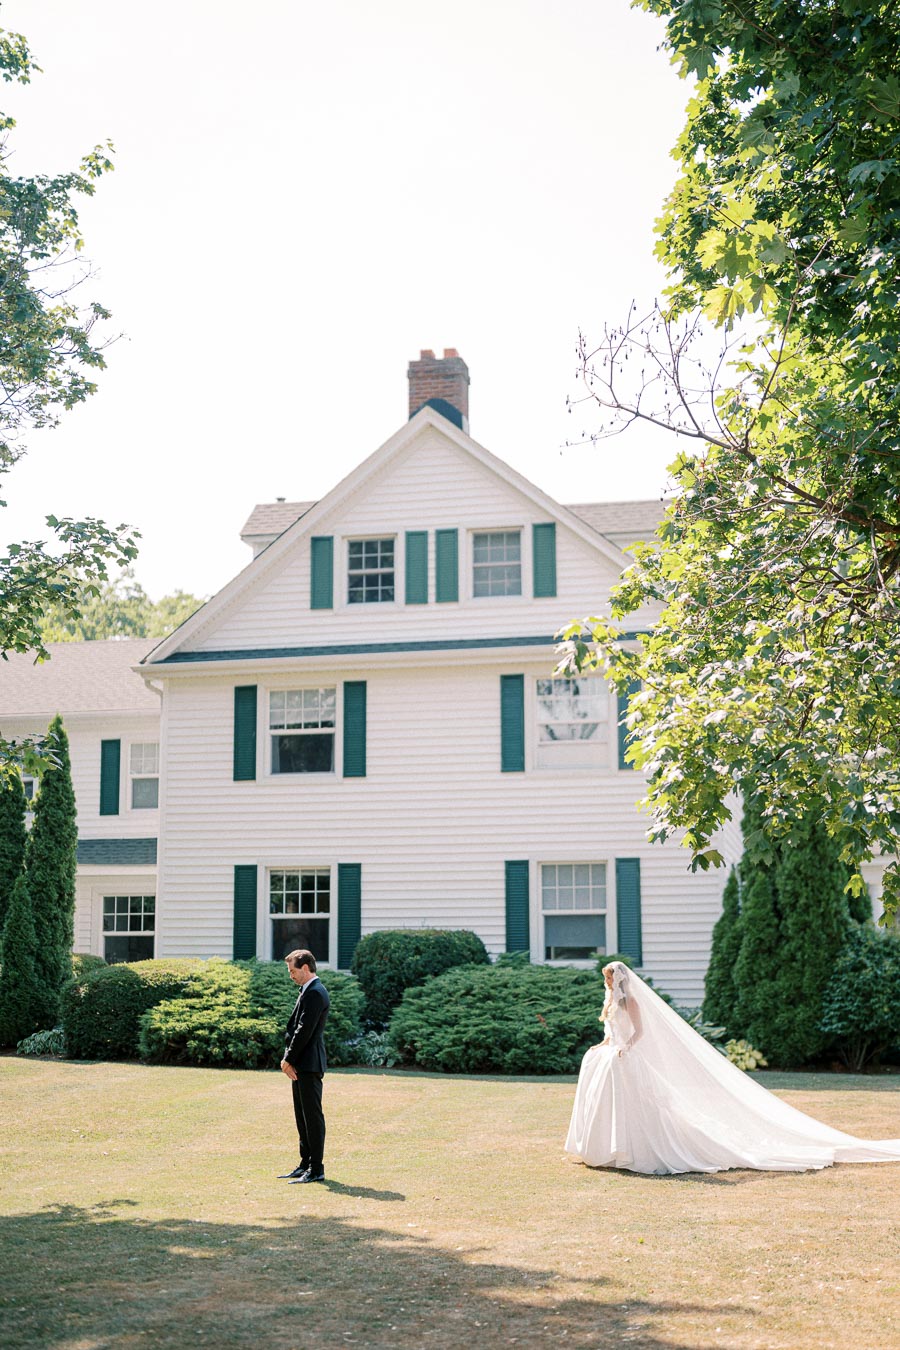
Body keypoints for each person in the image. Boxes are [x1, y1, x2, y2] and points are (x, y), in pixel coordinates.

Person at [566, 960, 900, 1175]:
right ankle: (607, 1148)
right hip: (614, 1057)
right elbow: (612, 1031)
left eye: (610, 978)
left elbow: (638, 1032)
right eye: (607, 979)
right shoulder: (610, 1002)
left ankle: (633, 1149)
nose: (608, 983)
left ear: (619, 978)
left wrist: (625, 1047)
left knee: (644, 1108)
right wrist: (606, 1046)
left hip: (628, 1057)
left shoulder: (633, 1001)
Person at [278, 949, 331, 1184]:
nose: (291, 975)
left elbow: (304, 1031)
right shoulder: (307, 991)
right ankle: (305, 1164)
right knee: (301, 1117)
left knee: (312, 1117)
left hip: (308, 1064)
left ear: (306, 968)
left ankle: (316, 1168)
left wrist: (287, 1058)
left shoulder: (316, 993)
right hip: (301, 1064)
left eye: (293, 971)